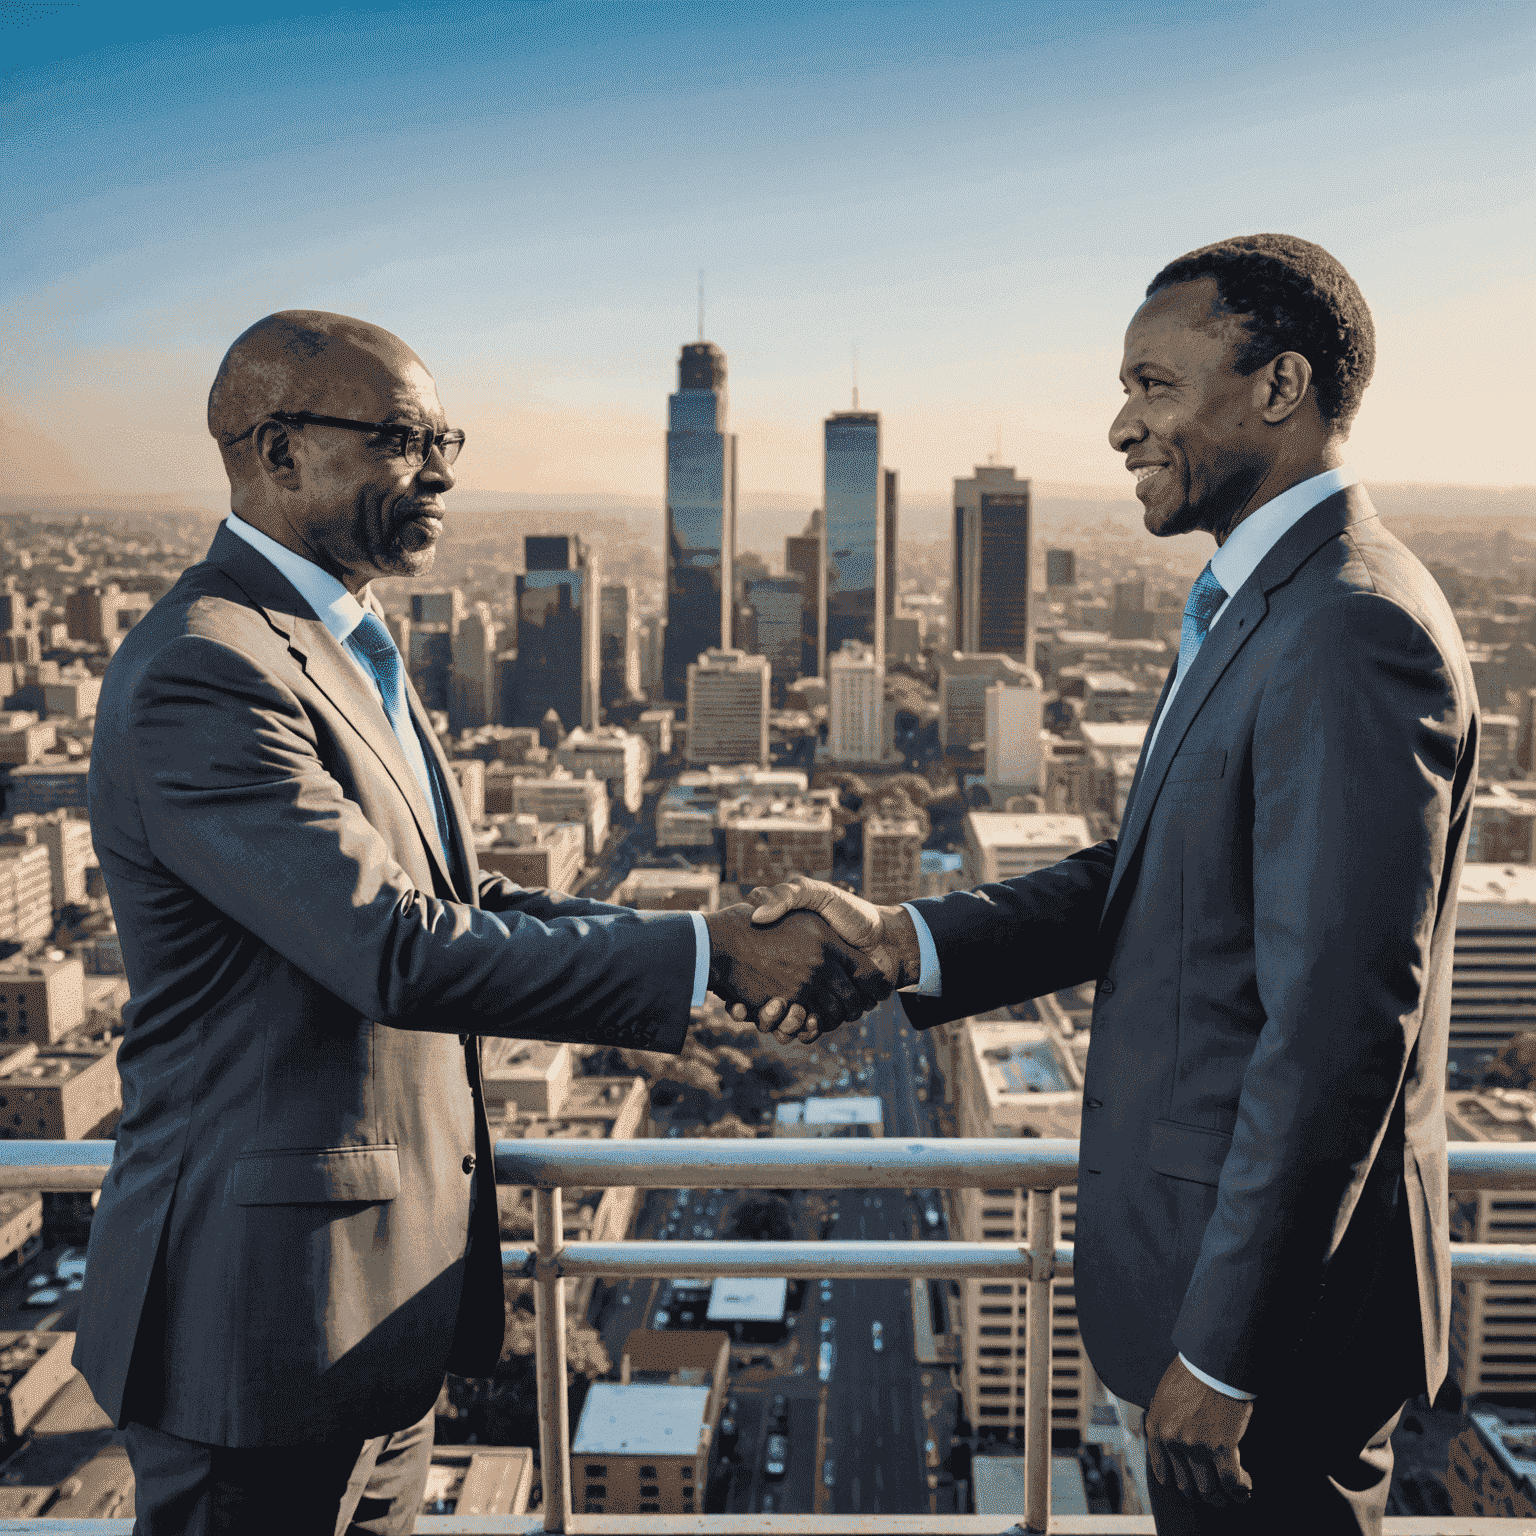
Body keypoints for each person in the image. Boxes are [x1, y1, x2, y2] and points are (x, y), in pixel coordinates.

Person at [75, 310, 886, 1536]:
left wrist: (704, 933)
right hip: (259, 1326)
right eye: (402, 438)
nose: (444, 469)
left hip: (376, 1323)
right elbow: (391, 948)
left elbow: (455, 904)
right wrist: (712, 956)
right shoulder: (208, 666)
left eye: (443, 435)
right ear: (278, 451)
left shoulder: (346, 645)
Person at [747, 234, 1476, 1535]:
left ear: (1278, 386)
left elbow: (1335, 1037)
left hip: (1273, 1353)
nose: (1118, 424)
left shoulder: (1347, 628)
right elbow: (1150, 878)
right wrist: (901, 941)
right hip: (1216, 1311)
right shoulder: (1260, 606)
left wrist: (1228, 1352)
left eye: (1152, 383)